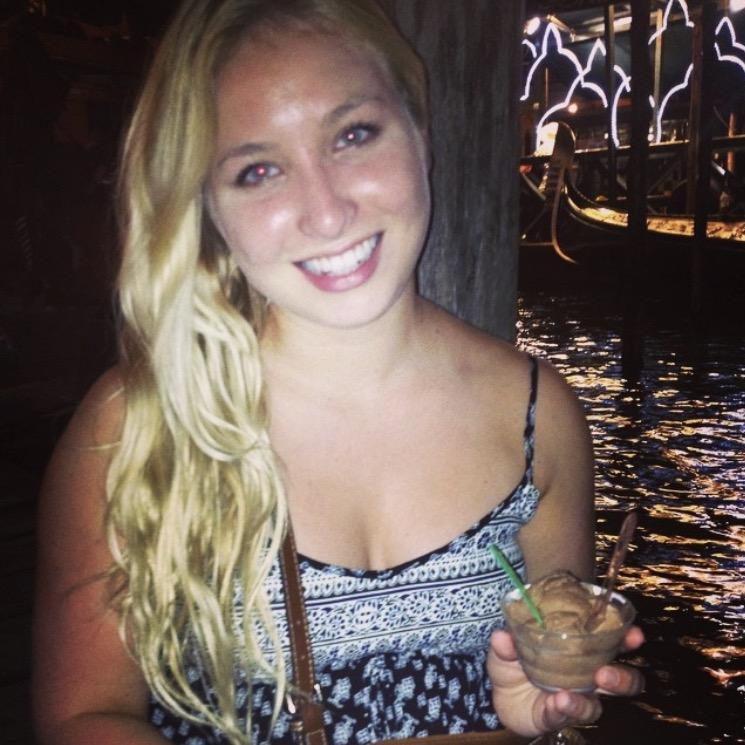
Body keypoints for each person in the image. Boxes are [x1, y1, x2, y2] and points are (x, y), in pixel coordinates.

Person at [31, 1, 645, 743]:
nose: (325, 213)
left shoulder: (540, 418)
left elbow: (556, 692)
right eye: (258, 170)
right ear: (207, 206)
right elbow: (83, 714)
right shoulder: (137, 426)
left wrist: (543, 717)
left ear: (419, 131)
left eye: (353, 135)